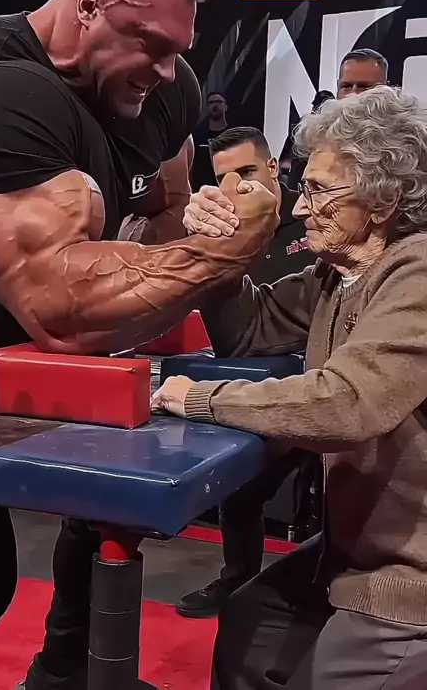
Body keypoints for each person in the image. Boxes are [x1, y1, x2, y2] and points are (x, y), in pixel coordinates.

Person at [0, 0, 278, 690]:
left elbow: (167, 211)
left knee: (103, 513)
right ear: (89, 2)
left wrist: (201, 222)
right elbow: (60, 309)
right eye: (149, 43)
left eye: (177, 48)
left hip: (24, 355)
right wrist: (226, 250)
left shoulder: (166, 90)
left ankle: (63, 673)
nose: (166, 69)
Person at [153, 85, 427, 689]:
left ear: (383, 199)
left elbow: (348, 402)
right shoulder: (336, 275)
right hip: (349, 552)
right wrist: (219, 248)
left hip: (411, 580)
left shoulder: (419, 271)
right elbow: (247, 331)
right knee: (248, 626)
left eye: (320, 191)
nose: (301, 209)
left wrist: (199, 398)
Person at [176, 126, 317, 619]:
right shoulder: (315, 276)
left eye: (247, 171)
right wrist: (213, 247)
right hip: (276, 394)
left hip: (330, 404)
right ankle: (238, 583)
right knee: (240, 494)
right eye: (225, 179)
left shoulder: (319, 231)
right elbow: (247, 332)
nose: (238, 186)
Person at [288, 48, 388, 189]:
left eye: (364, 87)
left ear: (385, 89)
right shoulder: (315, 138)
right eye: (346, 86)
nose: (353, 94)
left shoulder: (405, 141)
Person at [191, 91, 232, 190]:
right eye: (211, 102)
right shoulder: (198, 135)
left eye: (218, 102)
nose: (215, 105)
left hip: (227, 187)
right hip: (202, 188)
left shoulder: (233, 135)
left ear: (225, 106)